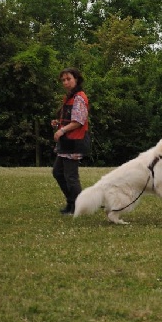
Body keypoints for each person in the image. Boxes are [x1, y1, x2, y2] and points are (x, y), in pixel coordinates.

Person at [51, 67, 90, 215]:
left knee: (71, 176)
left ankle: (79, 206)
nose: (66, 82)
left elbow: (79, 121)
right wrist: (58, 123)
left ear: (76, 80)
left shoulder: (79, 97)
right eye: (63, 80)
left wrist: (62, 130)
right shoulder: (69, 97)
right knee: (58, 172)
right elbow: (69, 119)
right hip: (66, 142)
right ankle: (71, 202)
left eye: (69, 79)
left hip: (74, 141)